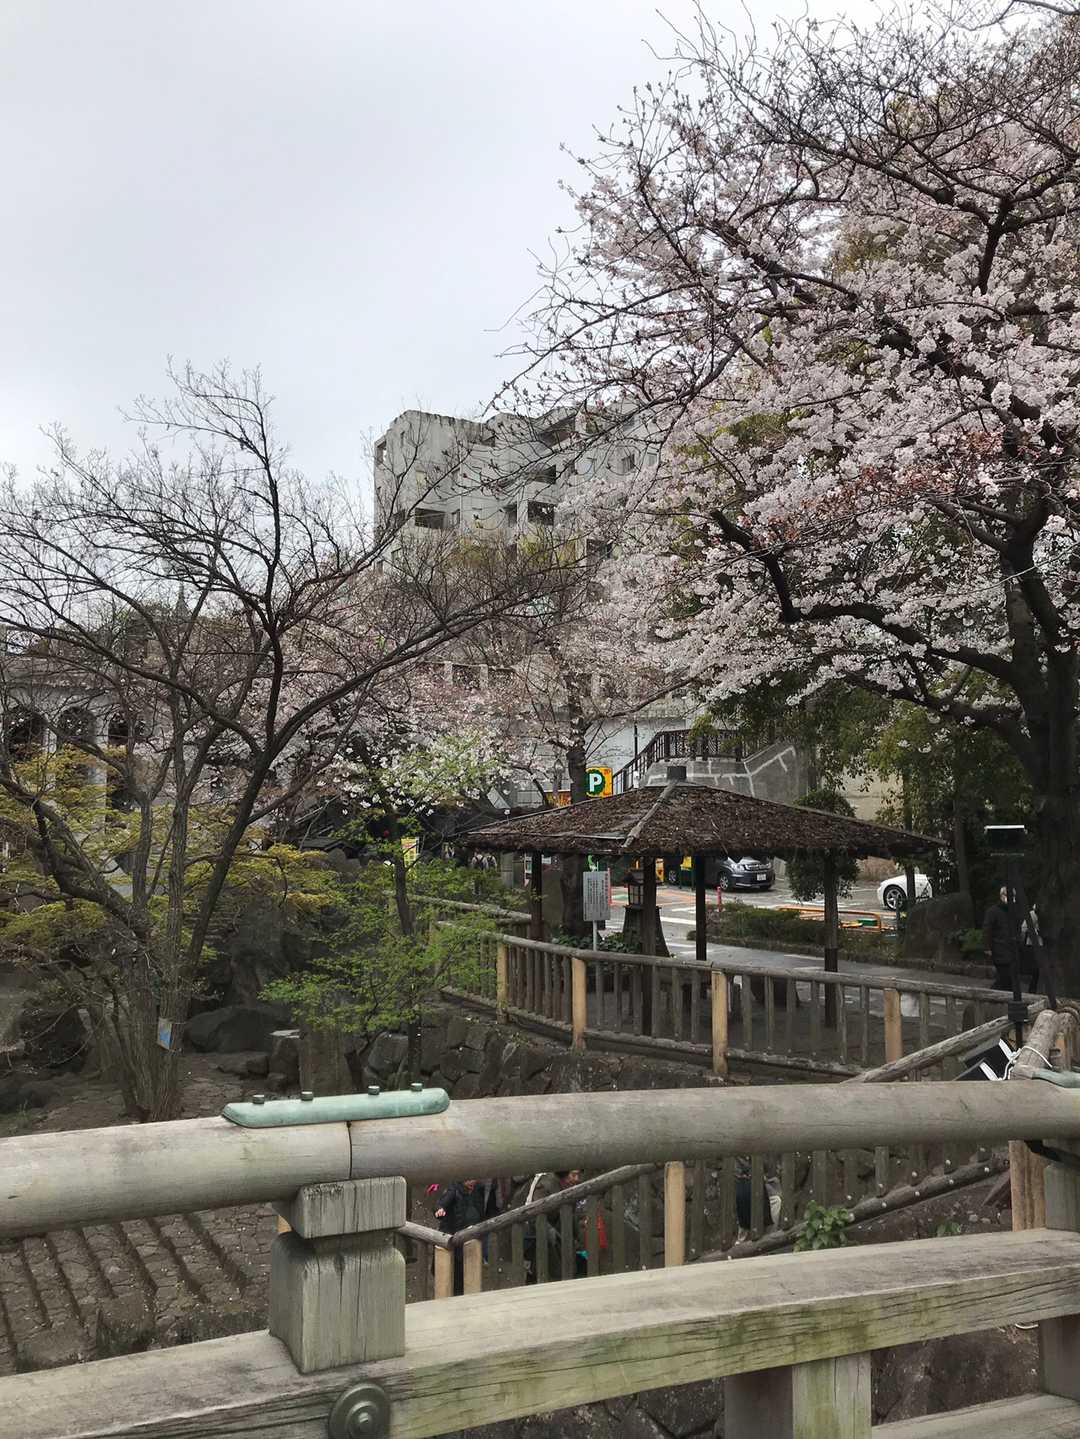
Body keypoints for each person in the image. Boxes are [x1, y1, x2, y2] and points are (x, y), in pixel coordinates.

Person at [433, 1178, 499, 1295]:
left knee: (470, 1274)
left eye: (474, 1179)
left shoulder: (479, 1189)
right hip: (454, 1238)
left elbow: (488, 1210)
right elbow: (441, 1204)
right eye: (469, 1179)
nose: (472, 1182)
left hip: (472, 1238)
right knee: (453, 1275)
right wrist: (440, 1210)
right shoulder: (454, 1189)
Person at [983, 886, 1019, 992]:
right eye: (1008, 895)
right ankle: (991, 995)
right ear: (1001, 896)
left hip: (1011, 950)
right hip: (999, 949)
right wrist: (987, 948)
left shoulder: (1013, 911)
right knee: (1005, 978)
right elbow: (987, 930)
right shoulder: (993, 911)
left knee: (1008, 979)